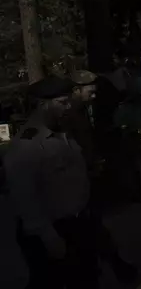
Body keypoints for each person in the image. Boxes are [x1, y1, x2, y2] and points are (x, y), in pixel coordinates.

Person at [3, 76, 99, 289]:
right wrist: (49, 238)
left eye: (68, 101)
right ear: (42, 105)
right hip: (52, 232)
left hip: (78, 224)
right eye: (62, 102)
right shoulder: (26, 146)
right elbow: (25, 199)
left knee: (88, 279)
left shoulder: (62, 132)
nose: (68, 107)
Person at [67, 70, 139, 283]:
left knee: (95, 231)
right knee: (89, 235)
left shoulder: (81, 112)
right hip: (75, 185)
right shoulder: (68, 115)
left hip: (87, 180)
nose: (94, 97)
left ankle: (116, 268)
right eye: (90, 92)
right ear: (76, 90)